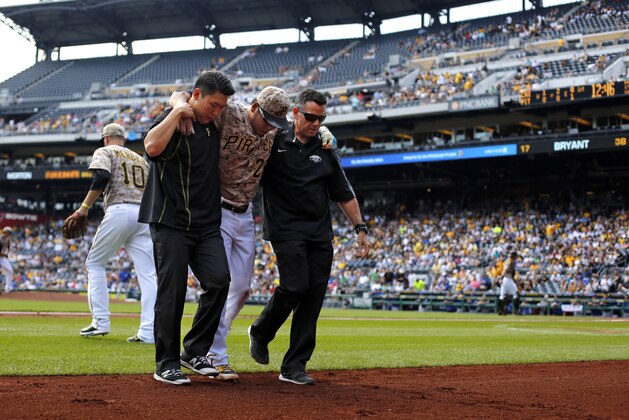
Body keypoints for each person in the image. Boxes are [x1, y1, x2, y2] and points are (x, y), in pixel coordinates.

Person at [169, 86, 336, 381]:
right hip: (216, 208)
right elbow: (190, 96)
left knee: (242, 289)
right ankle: (212, 354)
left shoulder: (275, 132)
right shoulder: (228, 113)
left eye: (277, 123)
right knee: (220, 282)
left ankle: (212, 349)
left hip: (244, 212)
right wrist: (179, 105)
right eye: (268, 120)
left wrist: (326, 132)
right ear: (256, 108)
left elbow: (304, 133)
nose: (271, 129)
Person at [247, 88, 371, 386]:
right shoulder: (273, 141)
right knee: (295, 285)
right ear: (295, 113)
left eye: (321, 118)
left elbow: (344, 193)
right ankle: (261, 331)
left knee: (313, 297)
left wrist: (360, 229)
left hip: (319, 233)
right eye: (311, 117)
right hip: (285, 229)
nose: (316, 123)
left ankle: (294, 366)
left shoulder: (327, 150)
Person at [139, 70, 233, 386]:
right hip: (170, 220)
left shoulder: (215, 123)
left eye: (222, 106)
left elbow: (256, 115)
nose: (218, 112)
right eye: (214, 105)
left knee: (220, 281)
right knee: (173, 291)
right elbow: (151, 147)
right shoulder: (176, 119)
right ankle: (165, 363)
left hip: (206, 224)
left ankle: (193, 350)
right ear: (197, 95)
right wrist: (178, 109)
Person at [73, 123, 157, 343]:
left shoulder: (105, 151)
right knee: (148, 275)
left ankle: (100, 322)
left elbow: (101, 176)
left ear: (106, 138)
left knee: (95, 263)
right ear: (123, 139)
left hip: (120, 209)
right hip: (144, 215)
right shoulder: (140, 158)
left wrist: (84, 208)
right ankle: (148, 332)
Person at [498, 250, 520, 315]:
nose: (516, 257)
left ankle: (500, 311)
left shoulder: (509, 260)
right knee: (516, 294)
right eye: (516, 256)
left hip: (506, 278)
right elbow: (505, 270)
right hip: (507, 278)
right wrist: (501, 278)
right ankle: (516, 311)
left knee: (502, 296)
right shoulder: (510, 261)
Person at [1, 226, 14, 294]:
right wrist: (4, 254)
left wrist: (7, 253)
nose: (9, 234)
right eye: (9, 233)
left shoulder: (7, 239)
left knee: (9, 271)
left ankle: (8, 288)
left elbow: (8, 247)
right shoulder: (0, 239)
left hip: (2, 258)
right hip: (2, 256)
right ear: (5, 232)